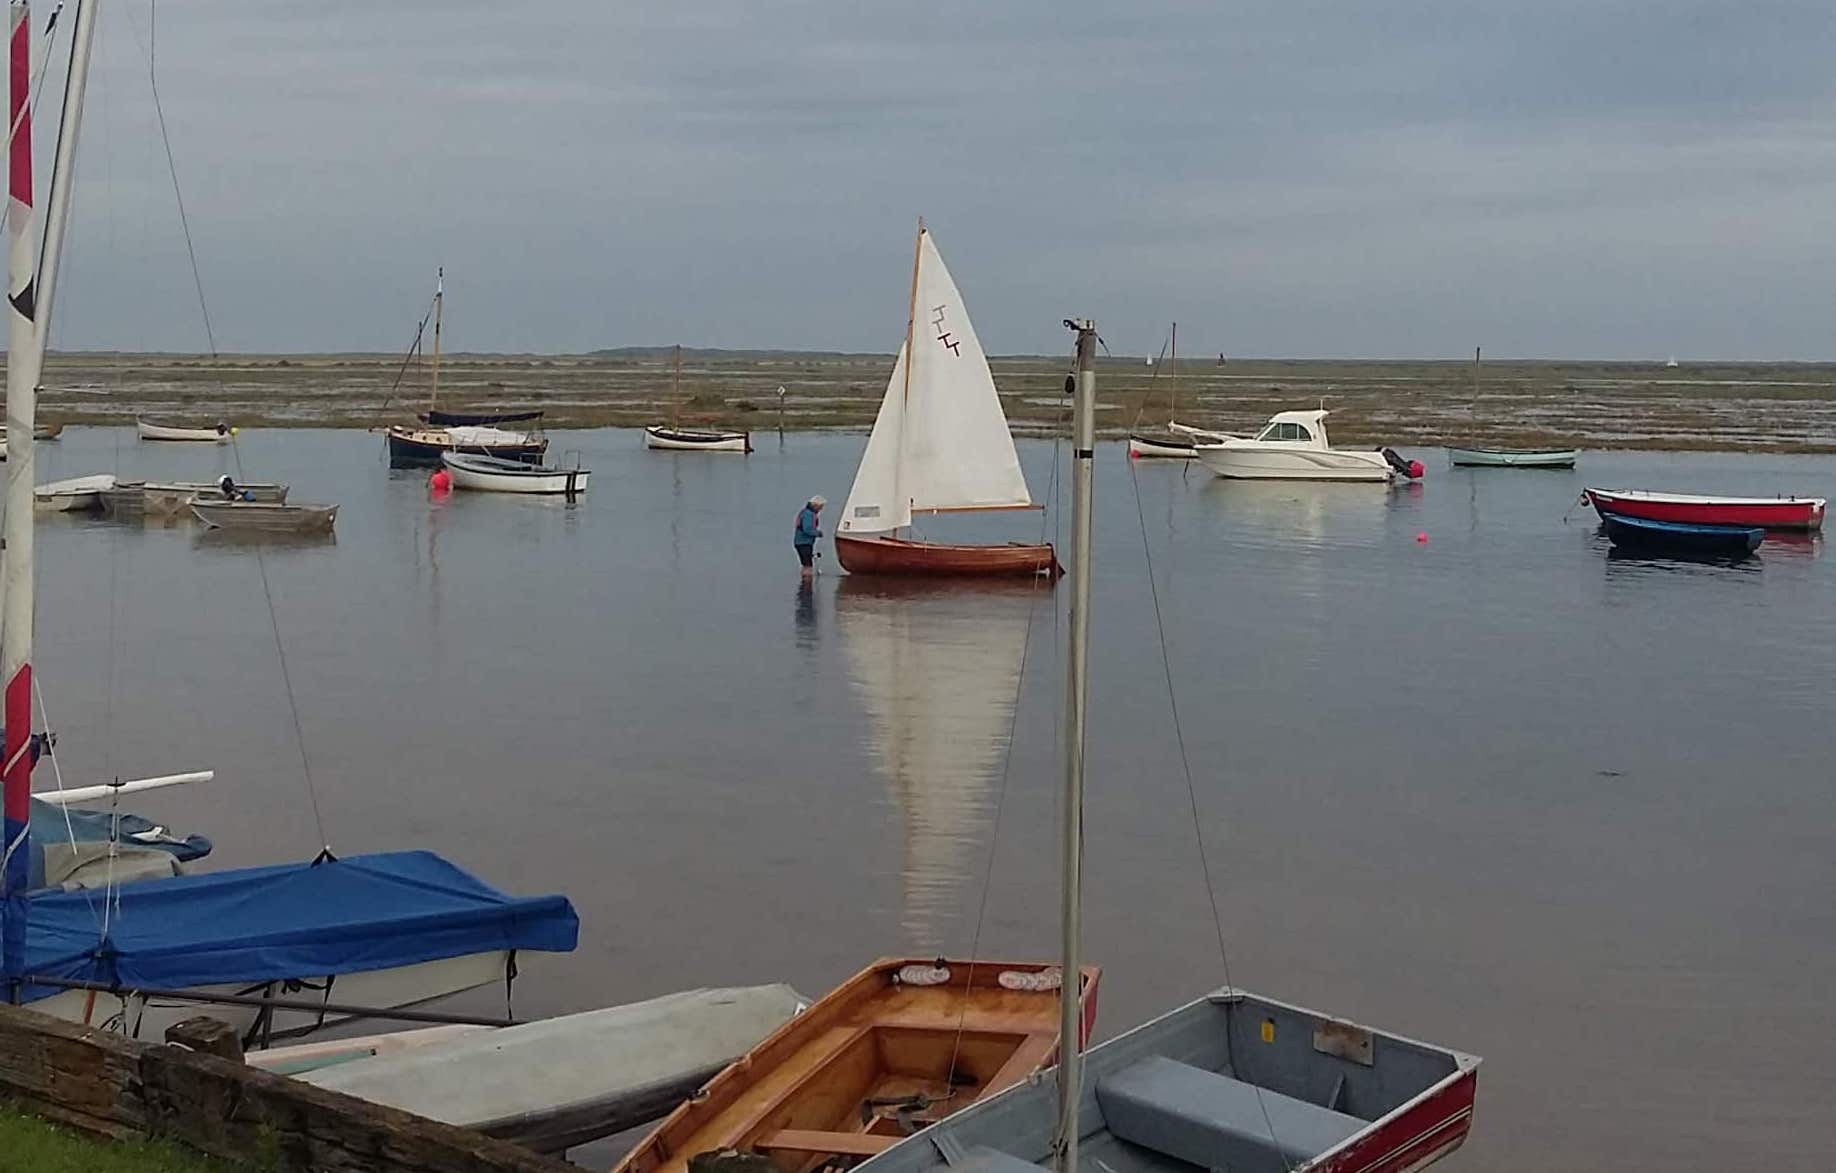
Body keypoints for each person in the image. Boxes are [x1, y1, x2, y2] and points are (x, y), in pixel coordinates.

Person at [793, 495, 825, 578]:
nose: (821, 509)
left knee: (805, 564)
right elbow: (807, 529)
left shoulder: (805, 512)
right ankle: (807, 586)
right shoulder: (809, 515)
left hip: (801, 542)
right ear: (815, 506)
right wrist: (818, 533)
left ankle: (805, 584)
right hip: (804, 542)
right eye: (821, 507)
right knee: (808, 565)